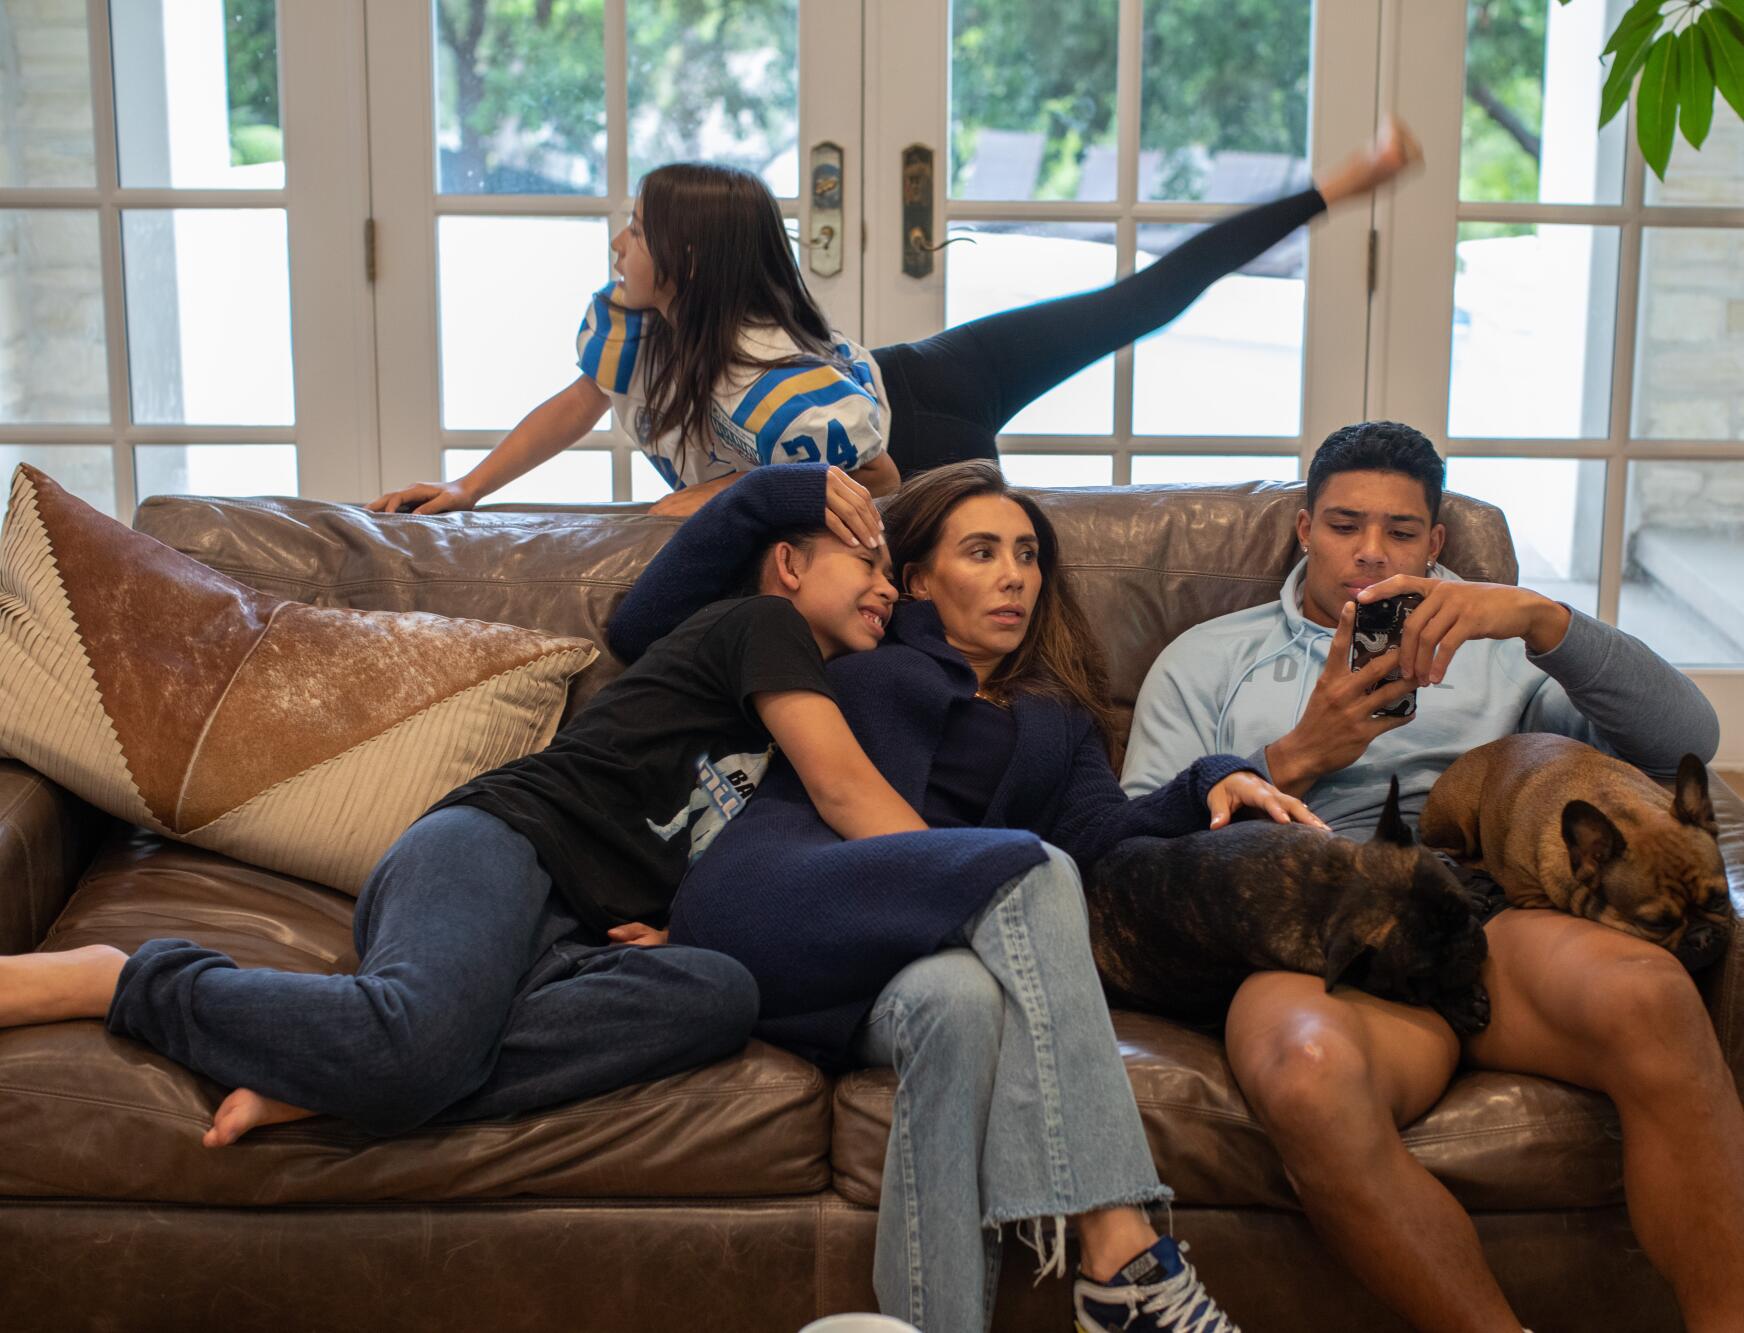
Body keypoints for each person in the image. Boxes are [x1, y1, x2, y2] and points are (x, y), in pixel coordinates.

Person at [0, 469, 918, 1152]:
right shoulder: (763, 628)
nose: (887, 587)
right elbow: (844, 792)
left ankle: (346, 1072)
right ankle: (120, 980)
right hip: (497, 847)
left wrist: (687, 922)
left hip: (580, 936)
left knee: (724, 992)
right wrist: (982, 875)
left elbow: (749, 842)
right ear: (789, 566)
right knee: (412, 1046)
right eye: (867, 560)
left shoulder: (819, 684)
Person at [607, 461, 1317, 1333]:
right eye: (981, 552)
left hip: (902, 963)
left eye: (1026, 554)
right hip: (783, 897)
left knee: (965, 1000)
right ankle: (1124, 1255)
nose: (1014, 573)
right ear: (915, 580)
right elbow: (647, 629)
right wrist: (773, 493)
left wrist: (1220, 772)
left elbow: (1102, 833)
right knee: (1035, 865)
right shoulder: (862, 644)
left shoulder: (1059, 716)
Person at [1119, 421, 1744, 1332]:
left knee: (1654, 997)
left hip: (1490, 909)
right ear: (1304, 529)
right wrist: (1296, 754)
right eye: (1345, 525)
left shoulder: (1502, 642)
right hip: (1316, 931)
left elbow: (1683, 741)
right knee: (1305, 1072)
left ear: (1436, 543)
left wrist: (1544, 621)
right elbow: (1128, 856)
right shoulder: (1209, 659)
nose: (1370, 553)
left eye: (1400, 530)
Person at [367, 121, 1422, 520]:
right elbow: (577, 401)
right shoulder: (636, 319)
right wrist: (465, 487)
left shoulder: (776, 388)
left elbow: (871, 489)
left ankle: (1333, 187)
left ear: (681, 261)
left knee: (1134, 302)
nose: (615, 244)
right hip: (887, 383)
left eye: (632, 230)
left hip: (925, 422)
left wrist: (696, 508)